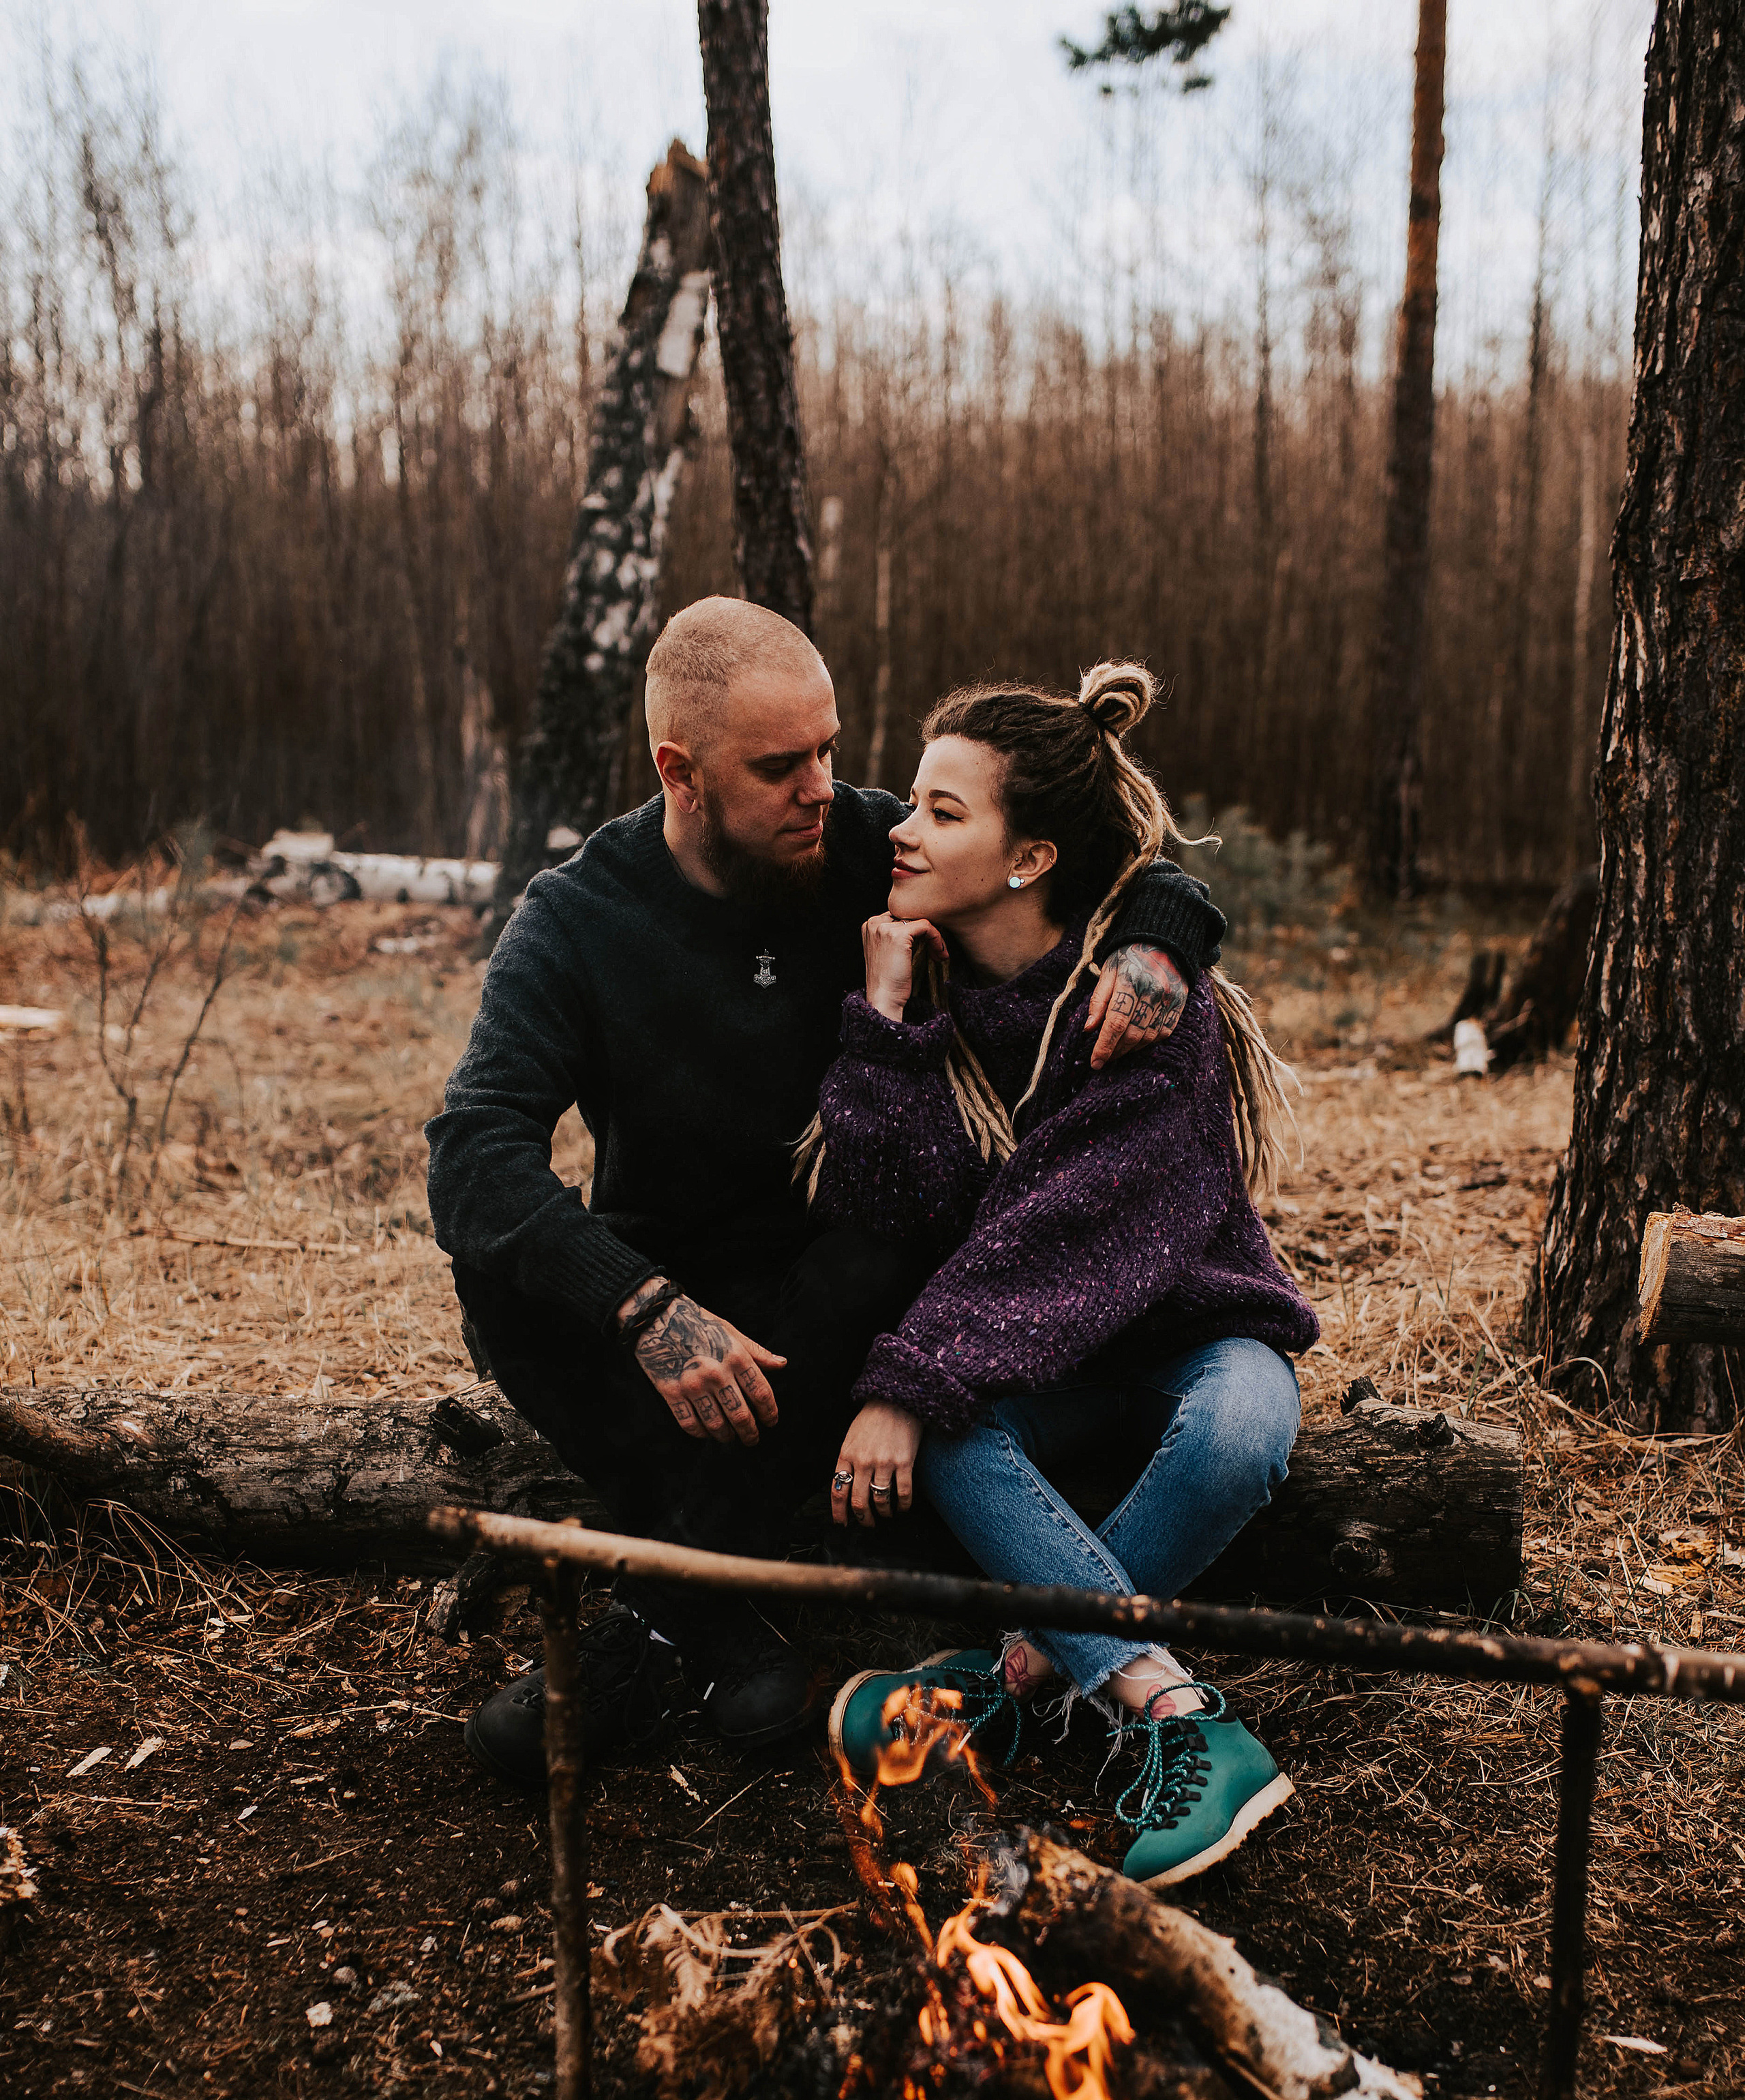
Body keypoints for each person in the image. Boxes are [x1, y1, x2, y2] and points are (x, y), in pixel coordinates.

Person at [425, 600, 1226, 1788]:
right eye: (779, 765)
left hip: (847, 1286)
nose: (824, 787)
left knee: (882, 1242)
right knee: (496, 1275)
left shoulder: (860, 841)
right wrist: (643, 1308)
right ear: (678, 774)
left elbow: (1108, 854)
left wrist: (1161, 937)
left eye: (830, 749)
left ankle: (659, 1613)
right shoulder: (576, 919)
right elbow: (471, 1146)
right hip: (669, 1288)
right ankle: (710, 1618)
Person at [815, 662, 1319, 1889]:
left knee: (1241, 1430)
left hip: (1191, 1333)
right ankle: (1173, 1709)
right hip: (1041, 1362)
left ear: (1029, 857)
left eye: (943, 811)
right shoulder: (929, 989)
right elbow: (895, 1213)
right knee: (951, 1437)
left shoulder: (1147, 1007)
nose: (900, 827)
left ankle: (1010, 1682)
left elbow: (1065, 1232)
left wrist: (908, 1375)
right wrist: (886, 1026)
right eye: (912, 803)